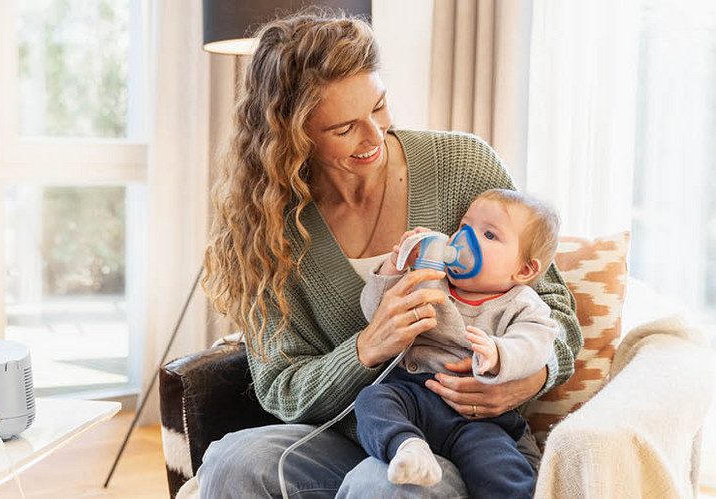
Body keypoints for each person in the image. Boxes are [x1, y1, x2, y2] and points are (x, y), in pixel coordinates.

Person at [198, 8, 582, 498]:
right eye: (343, 128)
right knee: (232, 461)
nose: (374, 137)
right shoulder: (266, 225)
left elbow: (555, 310)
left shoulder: (462, 165)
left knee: (380, 486)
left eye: (379, 107)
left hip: (465, 440)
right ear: (291, 136)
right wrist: (366, 348)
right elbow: (280, 388)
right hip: (357, 432)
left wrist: (529, 378)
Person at [354, 189, 562, 498]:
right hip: (412, 395)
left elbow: (535, 345)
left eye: (489, 234)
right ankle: (407, 448)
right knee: (371, 401)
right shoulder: (430, 277)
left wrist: (498, 354)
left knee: (500, 470)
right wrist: (396, 267)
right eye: (464, 226)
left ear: (524, 270)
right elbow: (377, 313)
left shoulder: (522, 305)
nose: (464, 239)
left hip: (475, 417)